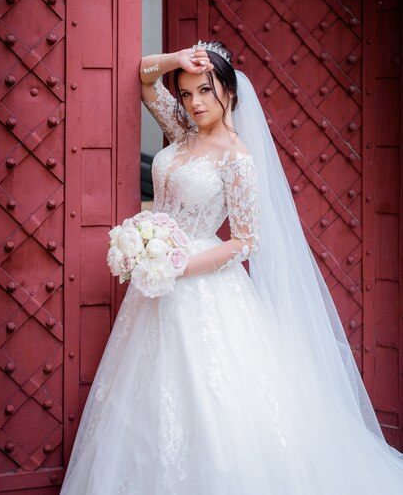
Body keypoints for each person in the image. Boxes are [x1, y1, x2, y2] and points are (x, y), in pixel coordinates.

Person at [60, 41, 403, 494]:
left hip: (199, 283)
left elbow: (245, 240)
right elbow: (145, 79)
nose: (195, 103)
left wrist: (179, 265)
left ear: (230, 92)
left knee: (212, 402)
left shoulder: (236, 158)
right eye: (186, 94)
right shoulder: (183, 132)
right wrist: (177, 61)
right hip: (156, 285)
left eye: (205, 90)